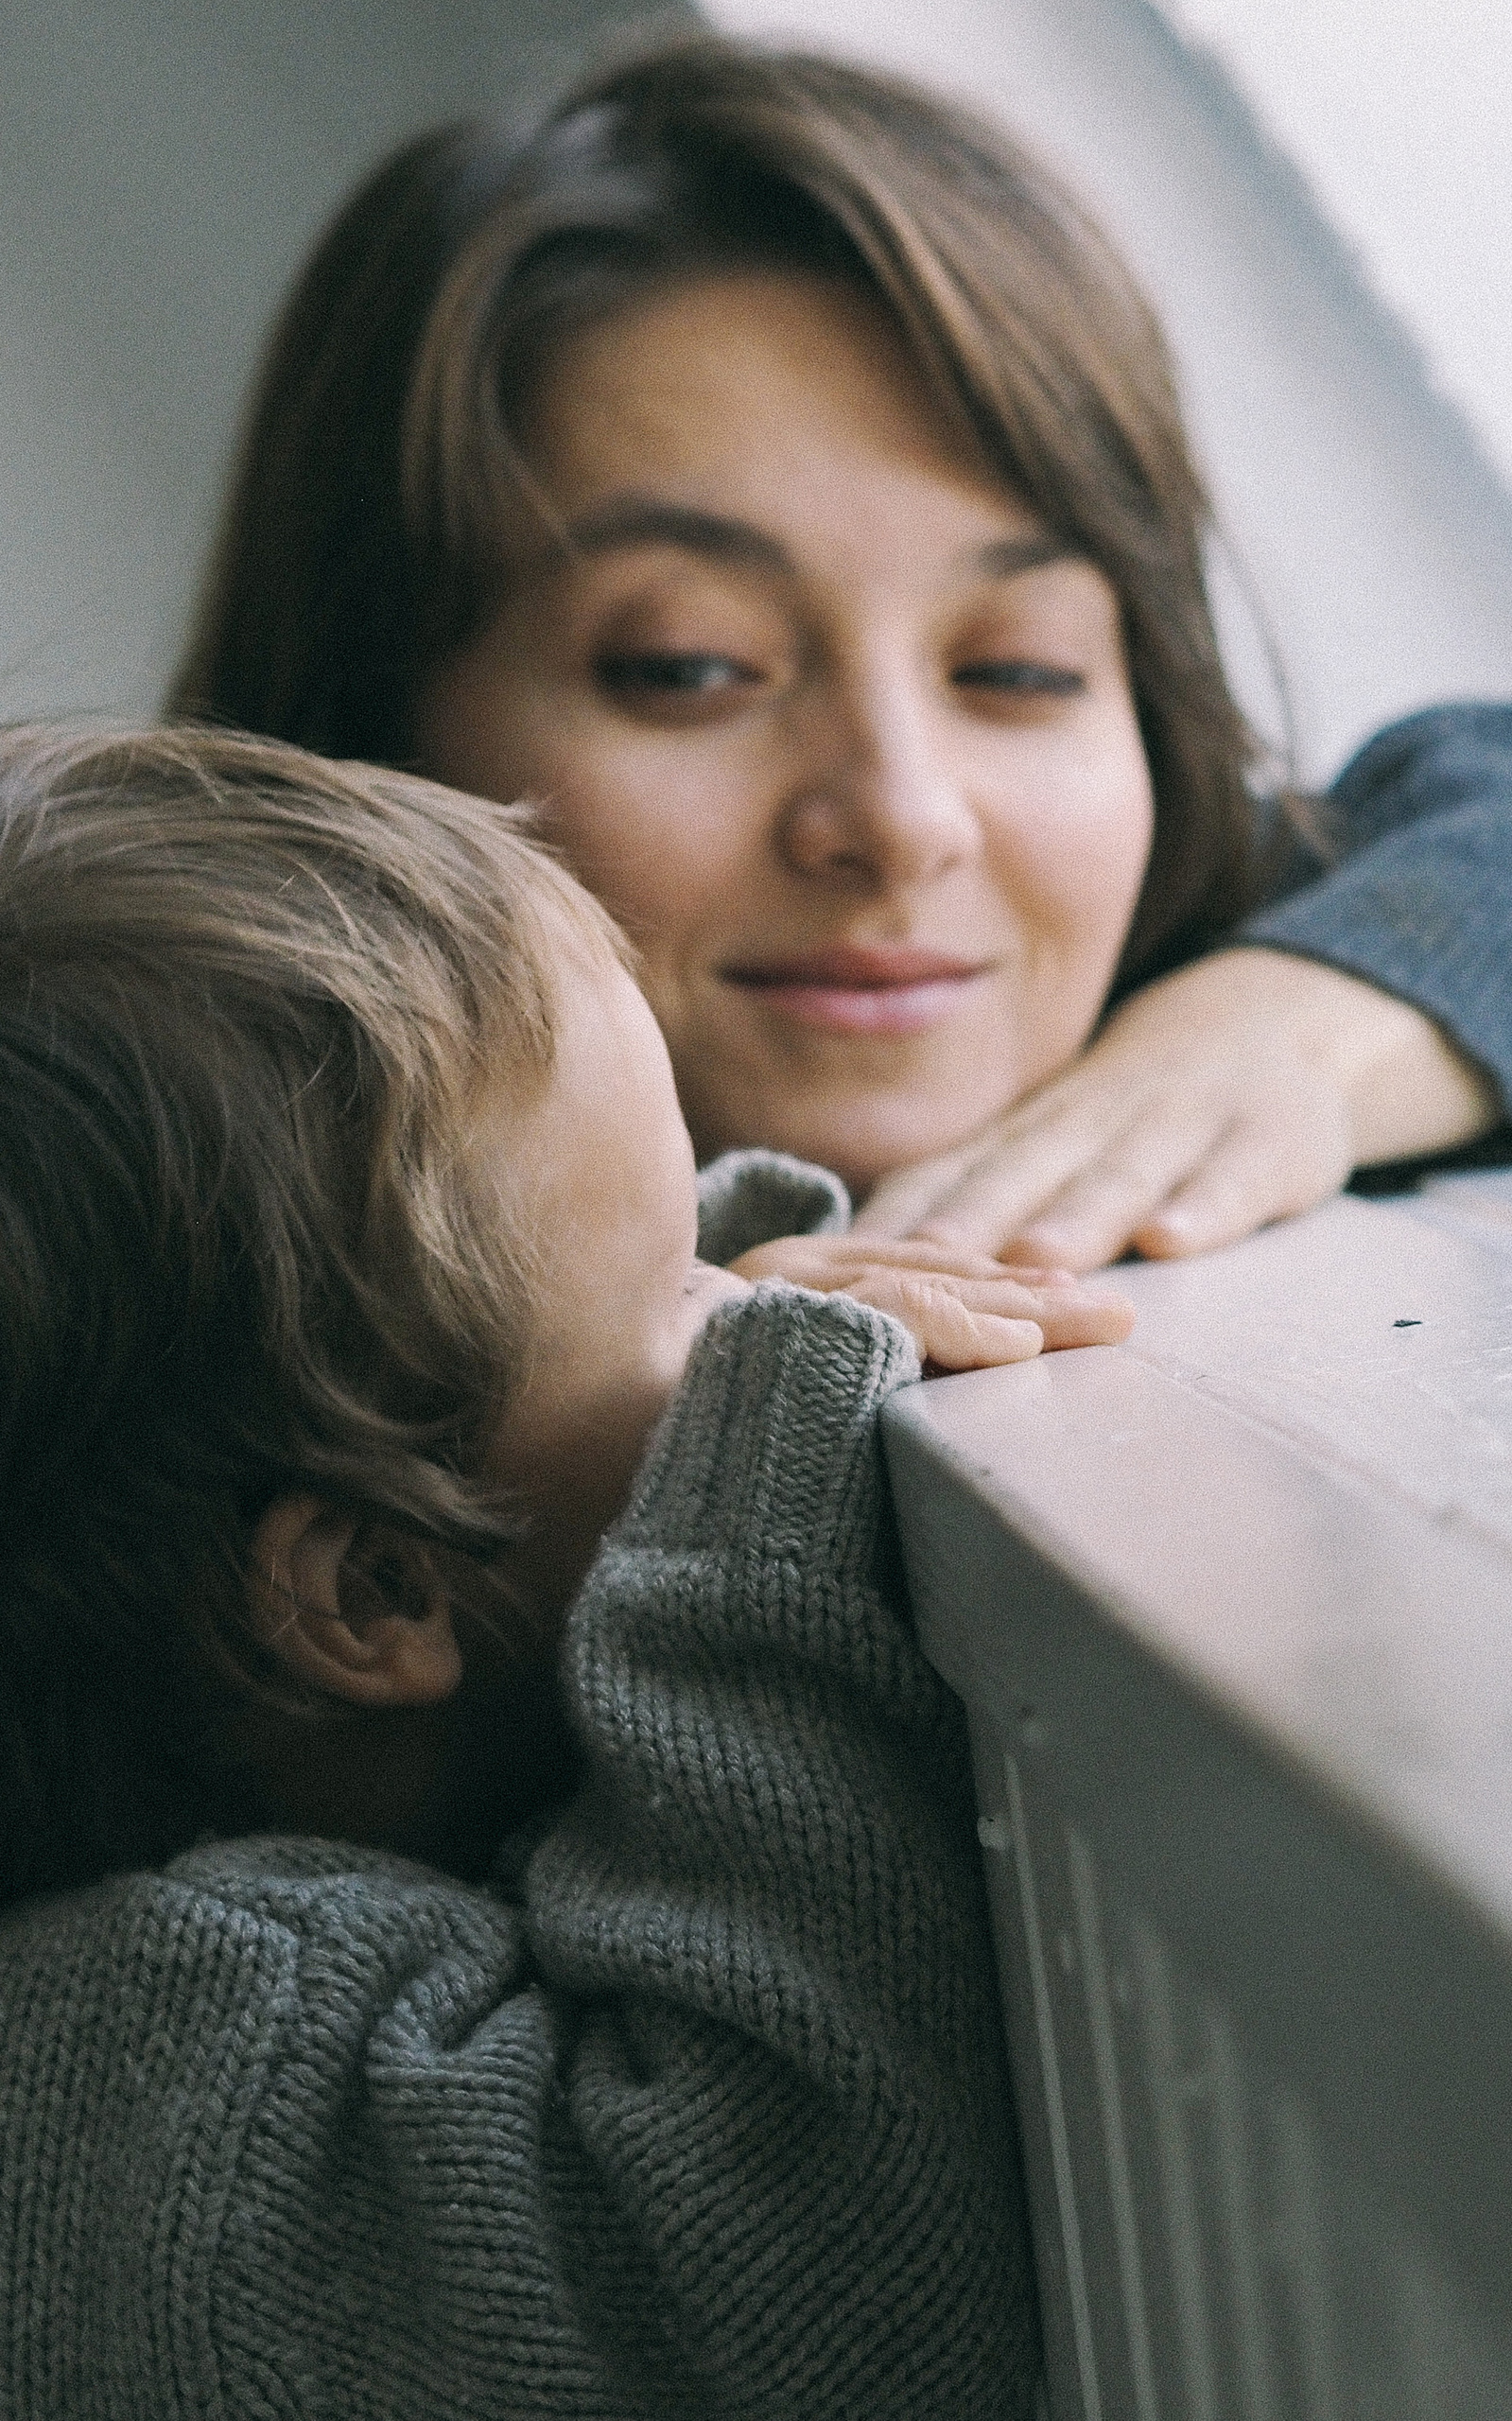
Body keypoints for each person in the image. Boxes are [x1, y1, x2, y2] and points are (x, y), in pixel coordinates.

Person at [171, 35, 1512, 1278]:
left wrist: (1288, 1045)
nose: (905, 818)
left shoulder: (1179, 955)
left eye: (1023, 668)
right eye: (690, 668)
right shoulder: (151, 1244)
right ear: (364, 732)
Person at [0, 720, 1130, 2416]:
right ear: (374, 1598)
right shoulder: (175, 2079)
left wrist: (709, 1313)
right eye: (686, 1289)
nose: (749, 1309)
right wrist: (768, 1522)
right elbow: (811, 2312)